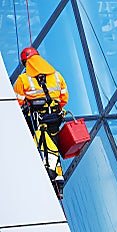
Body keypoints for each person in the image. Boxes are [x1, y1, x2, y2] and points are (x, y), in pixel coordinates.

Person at [13, 47, 68, 199]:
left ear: (25, 63)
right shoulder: (56, 75)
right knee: (53, 144)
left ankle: (49, 175)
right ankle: (58, 177)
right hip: (55, 117)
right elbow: (64, 98)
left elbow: (17, 102)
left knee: (42, 145)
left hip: (38, 118)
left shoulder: (23, 79)